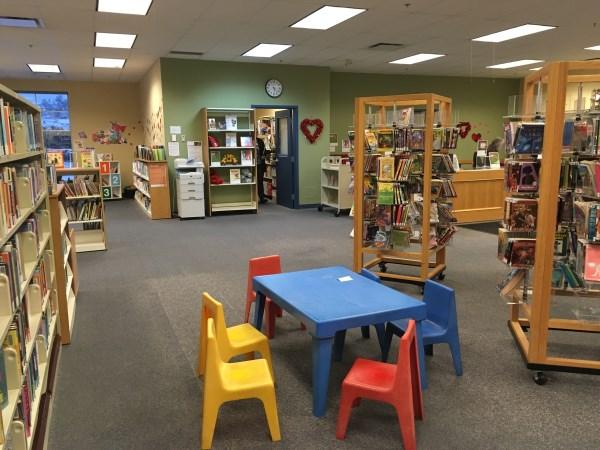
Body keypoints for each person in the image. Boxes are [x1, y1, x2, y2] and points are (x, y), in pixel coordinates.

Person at [257, 138, 268, 203]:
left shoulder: (260, 141)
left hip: (260, 164)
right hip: (251, 164)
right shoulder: (248, 139)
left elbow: (264, 151)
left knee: (260, 181)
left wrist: (264, 155)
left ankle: (261, 197)